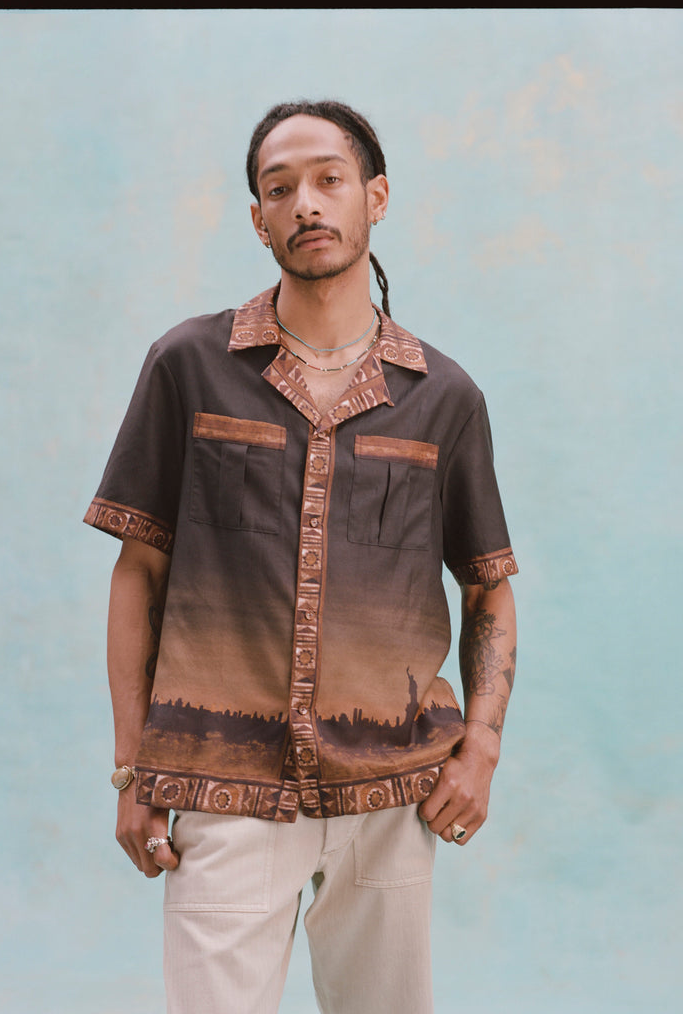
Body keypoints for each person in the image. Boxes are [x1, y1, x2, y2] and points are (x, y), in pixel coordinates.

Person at [85, 99, 518, 1014]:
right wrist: (132, 772)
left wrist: (478, 747)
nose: (305, 204)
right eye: (278, 189)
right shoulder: (188, 366)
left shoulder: (444, 397)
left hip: (392, 793)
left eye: (328, 179)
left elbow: (488, 590)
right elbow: (140, 575)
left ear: (376, 195)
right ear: (258, 219)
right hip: (221, 784)